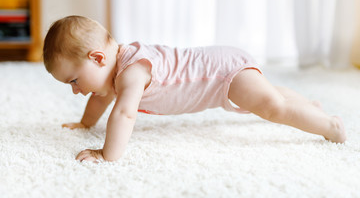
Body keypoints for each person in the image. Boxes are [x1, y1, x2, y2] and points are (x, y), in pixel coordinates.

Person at [43, 16, 346, 162]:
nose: (75, 90)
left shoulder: (131, 72)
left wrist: (106, 155)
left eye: (74, 81)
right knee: (270, 95)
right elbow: (100, 99)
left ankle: (329, 126)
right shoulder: (110, 75)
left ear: (97, 58)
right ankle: (309, 107)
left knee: (272, 108)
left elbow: (124, 115)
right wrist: (85, 123)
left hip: (222, 73)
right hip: (220, 71)